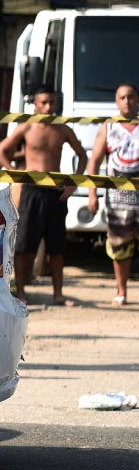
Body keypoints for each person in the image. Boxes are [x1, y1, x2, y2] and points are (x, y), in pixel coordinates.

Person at [0, 86, 88, 306]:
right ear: (35, 104)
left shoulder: (63, 129)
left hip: (55, 192)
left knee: (56, 247)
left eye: (52, 103)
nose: (48, 107)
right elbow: (0, 151)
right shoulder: (27, 126)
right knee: (25, 245)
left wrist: (72, 185)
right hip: (31, 191)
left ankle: (58, 294)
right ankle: (22, 292)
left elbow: (82, 156)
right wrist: (17, 176)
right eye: (44, 102)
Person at [86, 84, 139, 306]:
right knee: (119, 248)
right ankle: (122, 292)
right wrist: (92, 194)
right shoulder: (108, 127)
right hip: (118, 201)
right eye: (122, 97)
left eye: (131, 97)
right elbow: (94, 162)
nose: (127, 101)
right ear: (116, 102)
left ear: (137, 100)